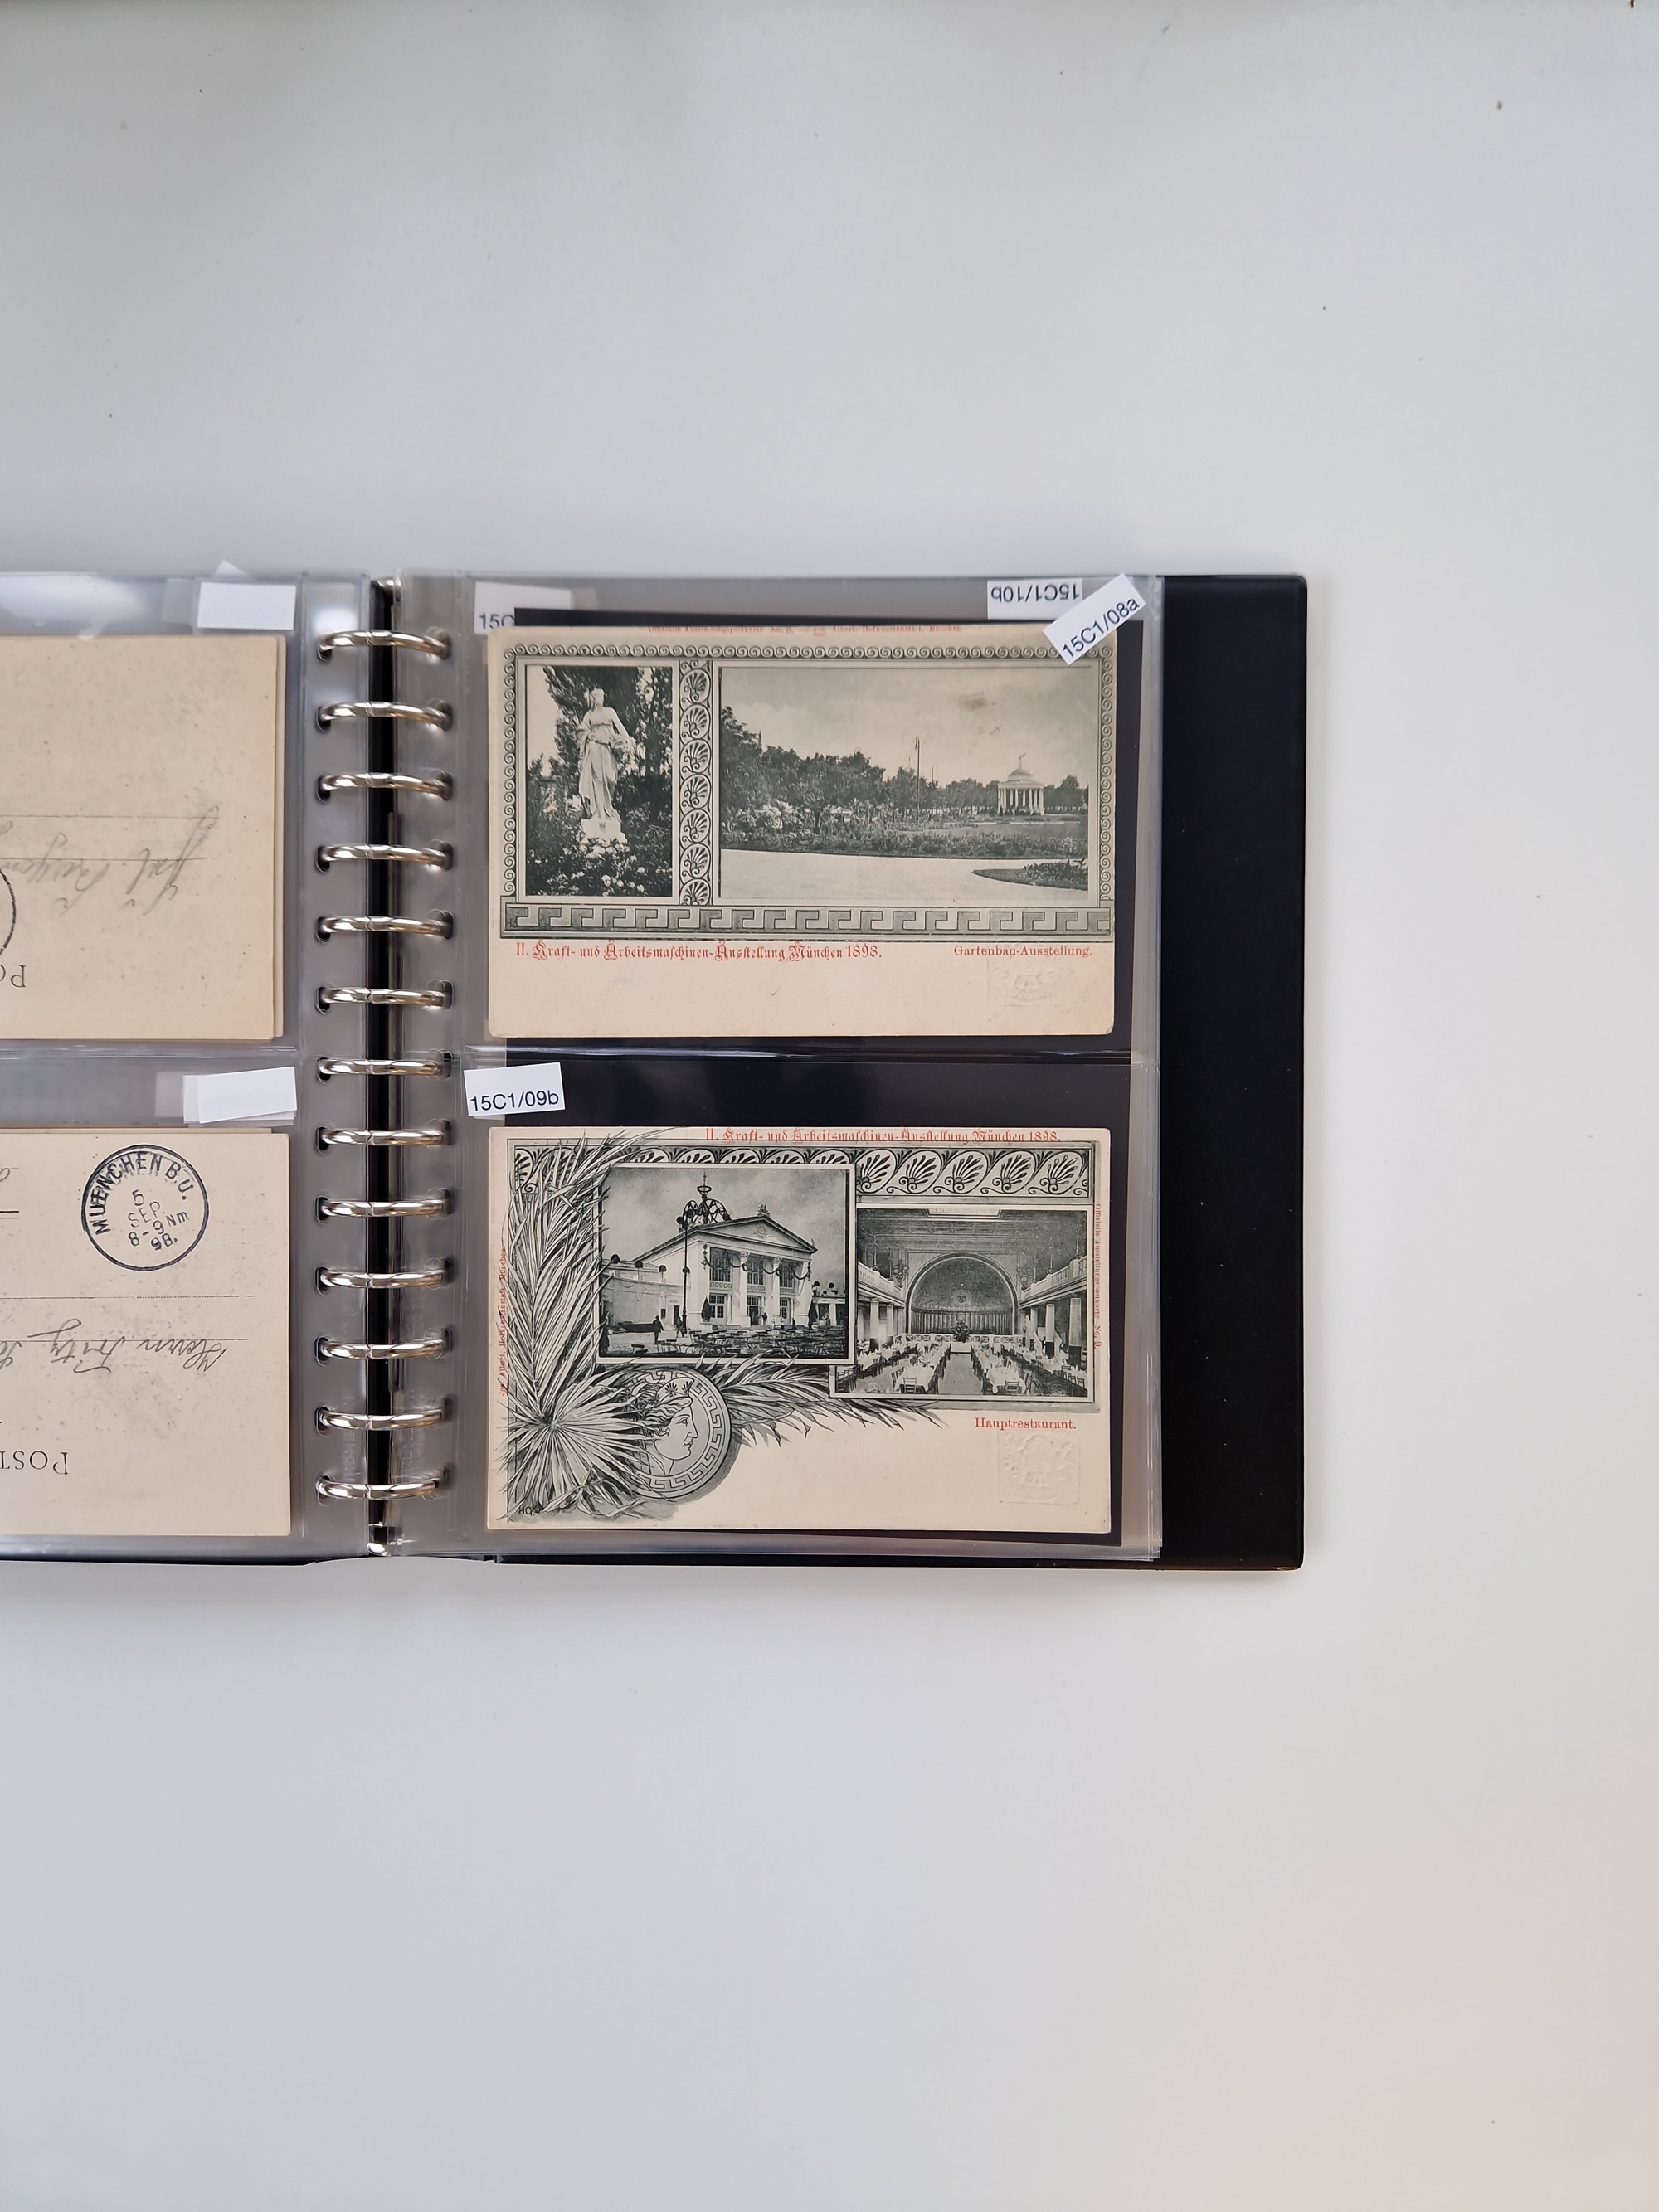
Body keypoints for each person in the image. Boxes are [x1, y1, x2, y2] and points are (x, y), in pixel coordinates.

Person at [575, 686, 636, 846]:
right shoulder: (589, 715)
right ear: (593, 699)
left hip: (608, 747)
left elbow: (620, 727)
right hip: (594, 746)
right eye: (598, 697)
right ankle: (600, 813)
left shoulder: (610, 712)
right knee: (598, 779)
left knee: (610, 778)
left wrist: (627, 740)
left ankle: (608, 809)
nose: (601, 699)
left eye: (602, 697)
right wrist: (588, 735)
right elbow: (580, 731)